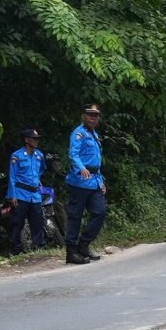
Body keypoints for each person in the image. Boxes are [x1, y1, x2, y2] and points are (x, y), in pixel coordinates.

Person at [63, 102, 107, 264]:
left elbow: (96, 162)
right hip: (79, 182)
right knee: (75, 217)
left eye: (96, 115)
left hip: (94, 181)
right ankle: (71, 252)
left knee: (100, 211)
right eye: (90, 115)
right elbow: (73, 154)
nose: (93, 118)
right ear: (83, 116)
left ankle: (84, 244)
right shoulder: (78, 133)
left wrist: (101, 181)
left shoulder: (94, 135)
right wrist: (81, 168)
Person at [7, 129, 51, 252]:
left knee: (37, 221)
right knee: (18, 222)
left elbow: (41, 169)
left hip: (35, 194)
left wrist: (35, 179)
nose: (37, 141)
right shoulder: (17, 156)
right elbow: (12, 176)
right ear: (26, 140)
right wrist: (12, 195)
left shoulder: (39, 155)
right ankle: (16, 250)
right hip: (20, 193)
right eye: (34, 138)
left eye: (37, 139)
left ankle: (39, 246)